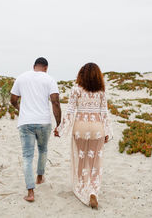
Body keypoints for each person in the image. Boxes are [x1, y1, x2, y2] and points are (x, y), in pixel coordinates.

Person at [54, 62, 112, 209]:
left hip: (80, 127)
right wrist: (107, 131)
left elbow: (70, 111)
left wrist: (60, 129)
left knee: (80, 159)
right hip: (97, 128)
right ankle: (93, 191)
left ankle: (81, 188)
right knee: (95, 162)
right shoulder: (101, 91)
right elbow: (104, 112)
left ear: (81, 75)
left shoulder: (76, 89)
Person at [10, 57, 61, 202]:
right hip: (44, 122)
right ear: (46, 68)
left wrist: (20, 109)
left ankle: (31, 192)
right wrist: (59, 123)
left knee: (27, 156)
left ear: (34, 66)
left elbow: (13, 99)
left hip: (26, 123)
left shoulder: (21, 78)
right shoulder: (49, 79)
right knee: (43, 149)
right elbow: (55, 102)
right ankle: (40, 177)